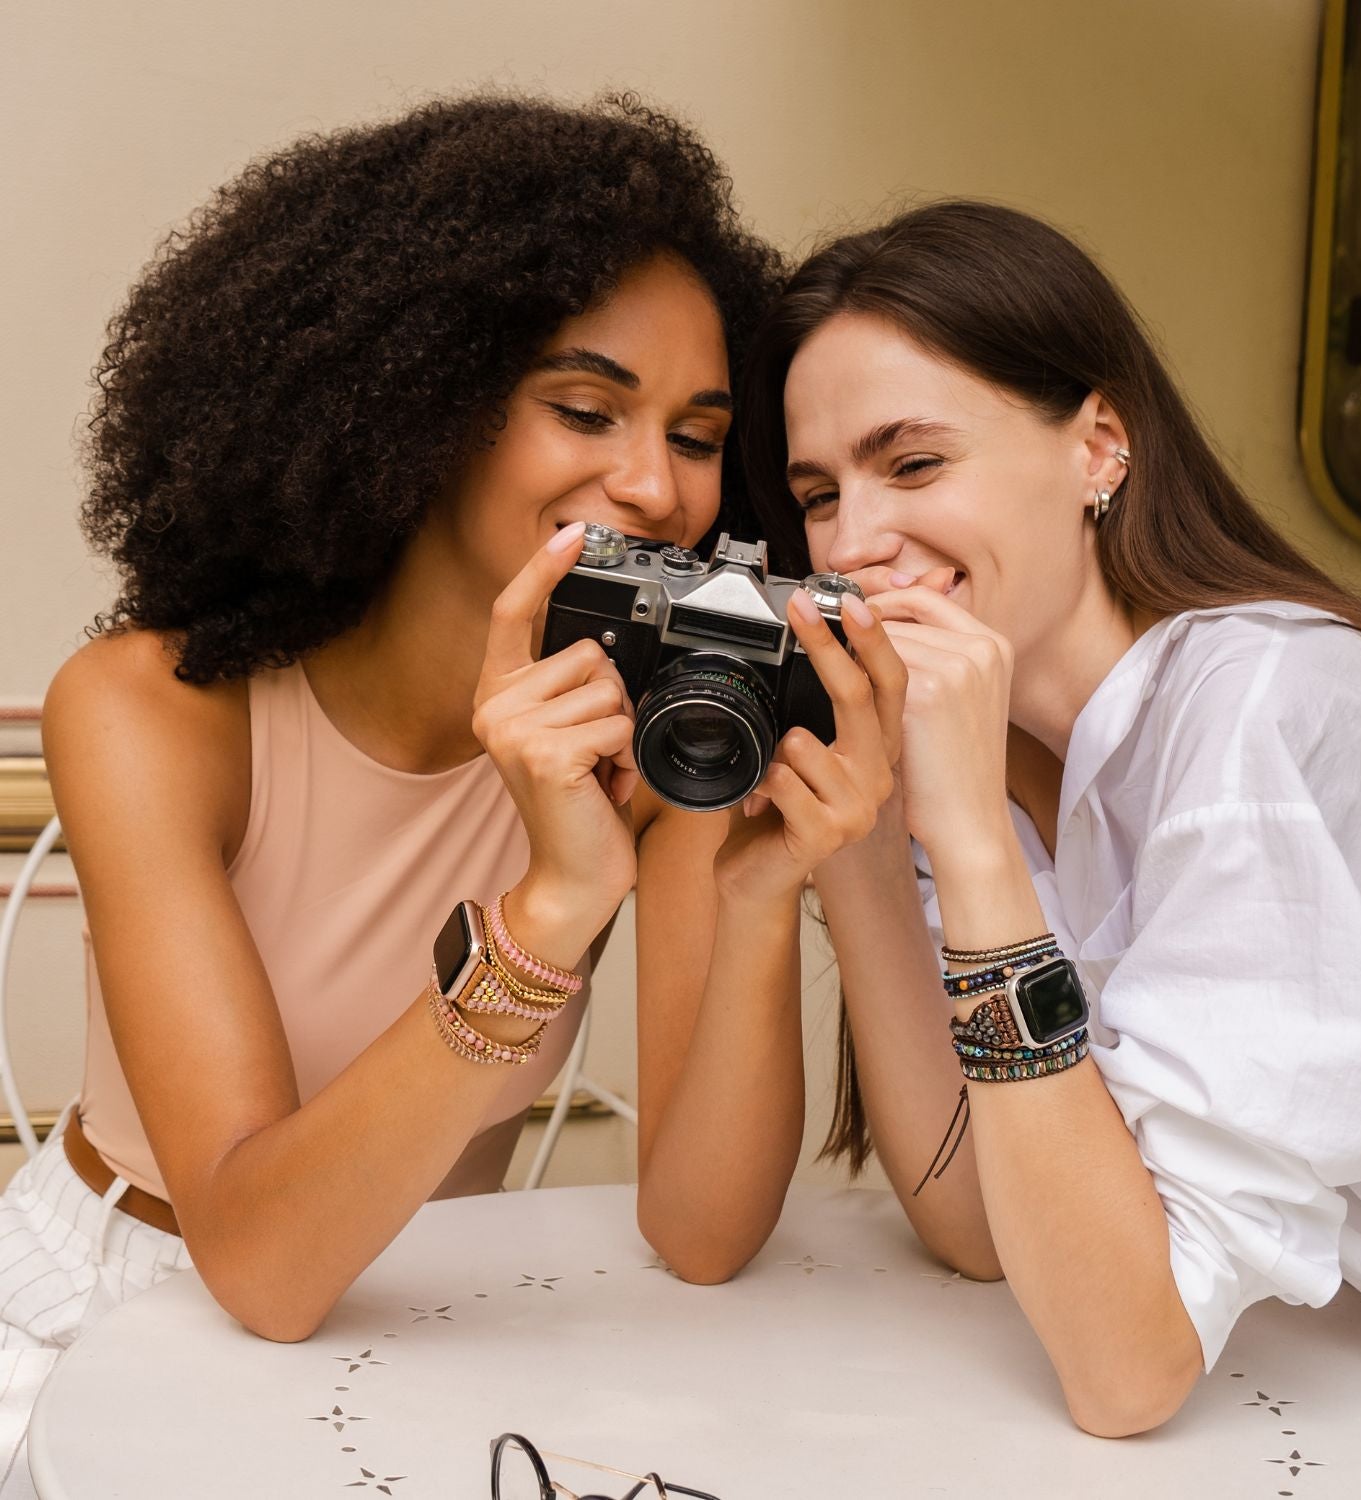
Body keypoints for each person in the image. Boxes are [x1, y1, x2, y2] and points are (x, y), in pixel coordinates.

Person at [0, 93, 903, 1487]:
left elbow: (705, 1232)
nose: (654, 485)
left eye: (699, 431)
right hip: (113, 1318)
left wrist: (764, 885)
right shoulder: (155, 713)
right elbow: (262, 1260)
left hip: (424, 1343)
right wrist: (547, 914)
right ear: (420, 408)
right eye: (586, 409)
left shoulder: (662, 750)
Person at [734, 199, 1361, 1436]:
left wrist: (976, 855)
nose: (856, 542)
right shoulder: (992, 754)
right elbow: (981, 1223)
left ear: (1099, 446)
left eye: (915, 462)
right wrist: (870, 852)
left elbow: (1124, 1368)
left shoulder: (1254, 716)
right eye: (819, 494)